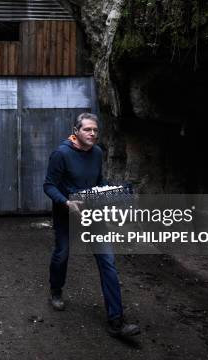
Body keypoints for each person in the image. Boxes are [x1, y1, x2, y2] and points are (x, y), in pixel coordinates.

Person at [43, 112, 140, 338]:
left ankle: (116, 321)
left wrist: (111, 194)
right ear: (76, 131)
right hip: (67, 213)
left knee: (107, 260)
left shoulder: (96, 153)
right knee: (62, 253)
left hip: (92, 213)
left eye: (95, 130)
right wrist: (66, 202)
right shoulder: (61, 154)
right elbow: (48, 186)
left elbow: (98, 182)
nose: (93, 134)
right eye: (88, 129)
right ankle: (56, 290)